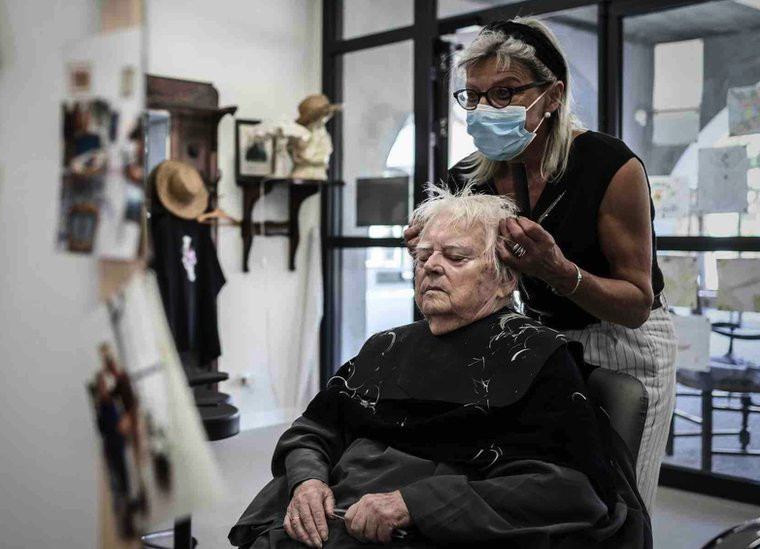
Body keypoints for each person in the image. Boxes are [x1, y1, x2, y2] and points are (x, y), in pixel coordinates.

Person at [230, 187, 648, 549]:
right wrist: (307, 481)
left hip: (434, 527)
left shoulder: (537, 358)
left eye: (455, 256)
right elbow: (314, 430)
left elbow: (568, 488)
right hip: (337, 511)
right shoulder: (387, 346)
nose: (430, 266)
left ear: (505, 280)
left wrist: (415, 504)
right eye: (424, 255)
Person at [405, 18, 676, 509]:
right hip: (542, 338)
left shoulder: (607, 166)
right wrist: (432, 253)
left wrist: (558, 271)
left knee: (618, 498)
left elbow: (636, 303)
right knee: (547, 488)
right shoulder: (468, 176)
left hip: (625, 341)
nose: (488, 109)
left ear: (552, 95)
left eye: (506, 93)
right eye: (475, 96)